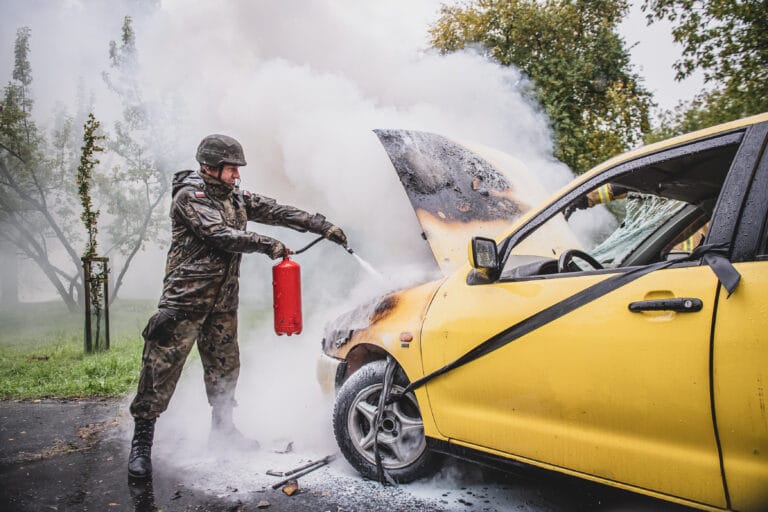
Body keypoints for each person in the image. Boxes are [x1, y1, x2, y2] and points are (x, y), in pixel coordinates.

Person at [127, 134, 347, 479]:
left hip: (222, 303)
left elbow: (275, 210)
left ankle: (223, 430)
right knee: (160, 370)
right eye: (232, 169)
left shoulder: (234, 197)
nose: (237, 176)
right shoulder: (190, 197)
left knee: (225, 368)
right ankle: (141, 445)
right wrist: (267, 244)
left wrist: (321, 225)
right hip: (184, 302)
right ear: (210, 168)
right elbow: (219, 234)